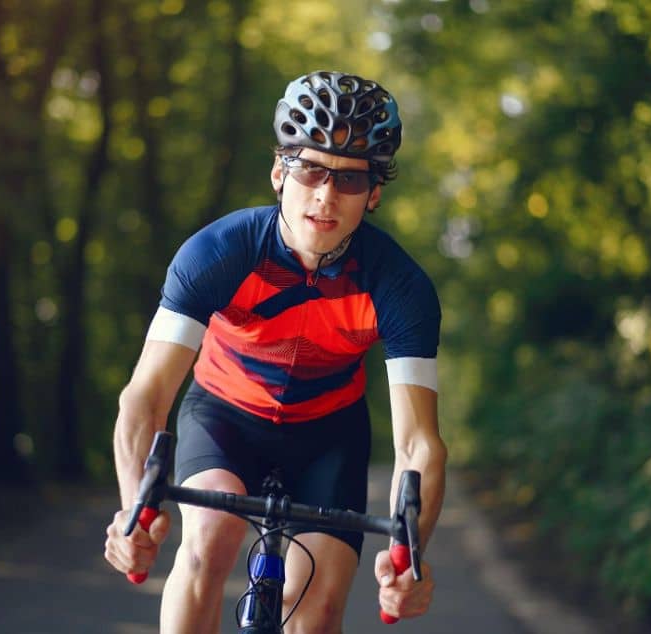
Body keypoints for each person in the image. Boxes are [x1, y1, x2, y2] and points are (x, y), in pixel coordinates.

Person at [105, 70, 446, 633]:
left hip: (327, 437)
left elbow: (420, 445)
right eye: (310, 168)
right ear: (278, 173)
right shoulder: (219, 253)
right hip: (222, 416)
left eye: (350, 181)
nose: (325, 195)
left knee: (317, 609)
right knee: (210, 536)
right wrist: (131, 513)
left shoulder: (399, 286)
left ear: (375, 194)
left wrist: (410, 557)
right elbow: (146, 397)